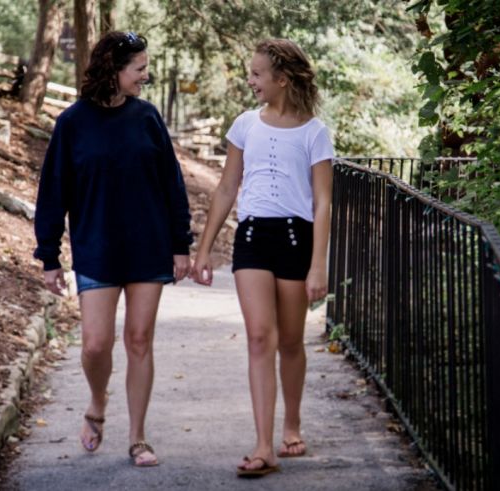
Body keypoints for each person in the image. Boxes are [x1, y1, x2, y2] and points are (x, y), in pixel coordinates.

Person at [33, 31, 192, 468]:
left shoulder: (147, 118)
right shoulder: (72, 124)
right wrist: (49, 256)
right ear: (114, 70)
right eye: (139, 68)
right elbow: (53, 194)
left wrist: (181, 245)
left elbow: (172, 185)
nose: (146, 74)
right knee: (95, 345)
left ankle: (138, 438)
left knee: (139, 339)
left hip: (149, 246)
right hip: (96, 248)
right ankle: (97, 404)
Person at [191, 38, 334, 478]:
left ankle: (291, 424)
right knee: (259, 338)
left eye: (257, 74)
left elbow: (323, 204)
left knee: (290, 341)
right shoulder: (245, 125)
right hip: (252, 236)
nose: (250, 81)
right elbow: (227, 189)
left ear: (282, 79)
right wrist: (204, 249)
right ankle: (262, 444)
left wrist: (318, 265)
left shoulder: (315, 132)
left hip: (296, 239)